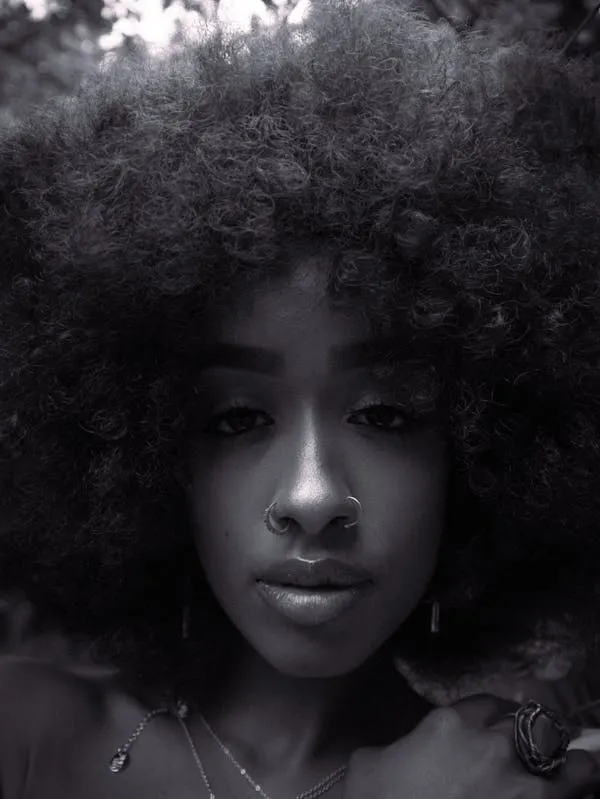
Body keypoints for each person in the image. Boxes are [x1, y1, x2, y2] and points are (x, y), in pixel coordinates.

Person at [1, 0, 600, 796]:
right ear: (155, 460)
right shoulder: (22, 731)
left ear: (481, 452)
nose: (312, 499)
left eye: (385, 413)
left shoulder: (504, 780)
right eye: (237, 417)